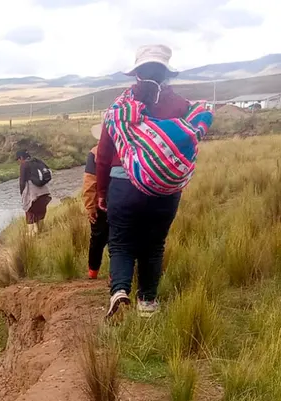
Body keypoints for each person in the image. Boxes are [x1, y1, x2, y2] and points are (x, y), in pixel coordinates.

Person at [95, 45, 213, 318]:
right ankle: (147, 303)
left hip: (123, 186)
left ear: (136, 73)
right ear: (167, 73)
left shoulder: (120, 108)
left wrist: (102, 191)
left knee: (121, 243)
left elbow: (103, 155)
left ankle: (120, 290)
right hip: (165, 189)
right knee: (153, 245)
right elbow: (188, 143)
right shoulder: (181, 105)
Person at [83, 124, 108, 280]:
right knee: (119, 240)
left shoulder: (94, 153)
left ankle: (93, 272)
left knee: (97, 239)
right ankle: (117, 277)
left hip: (101, 202)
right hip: (124, 200)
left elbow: (90, 182)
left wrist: (90, 207)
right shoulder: (127, 150)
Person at [17, 150, 53, 235]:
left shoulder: (24, 164)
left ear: (21, 158)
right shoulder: (37, 161)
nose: (18, 161)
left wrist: (22, 194)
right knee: (40, 213)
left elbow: (22, 182)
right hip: (45, 193)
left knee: (29, 212)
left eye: (18, 159)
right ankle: (40, 232)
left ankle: (31, 235)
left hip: (33, 194)